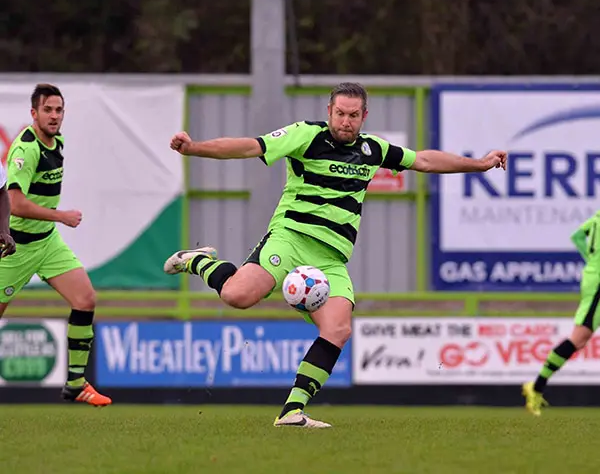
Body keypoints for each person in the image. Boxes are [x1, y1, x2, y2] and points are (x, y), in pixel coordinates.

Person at [164, 82, 507, 428]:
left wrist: (479, 165)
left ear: (364, 116)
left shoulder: (374, 150)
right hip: (291, 240)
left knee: (338, 329)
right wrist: (195, 149)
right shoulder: (305, 136)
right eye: (340, 113)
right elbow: (251, 147)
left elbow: (425, 160)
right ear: (329, 111)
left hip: (330, 260)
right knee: (237, 295)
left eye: (353, 115)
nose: (346, 121)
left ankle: (292, 410)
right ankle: (197, 260)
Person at [1, 84, 111, 407]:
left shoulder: (57, 141)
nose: (54, 116)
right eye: (47, 110)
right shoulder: (26, 147)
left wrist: (53, 222)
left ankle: (76, 383)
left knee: (85, 298)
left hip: (47, 242)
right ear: (33, 113)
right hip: (16, 247)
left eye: (58, 110)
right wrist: (60, 215)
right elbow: (15, 203)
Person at [523, 211, 600, 416]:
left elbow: (577, 236)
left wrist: (591, 260)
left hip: (594, 275)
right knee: (579, 338)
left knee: (580, 338)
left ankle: (537, 387)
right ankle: (536, 387)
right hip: (598, 283)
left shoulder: (596, 218)